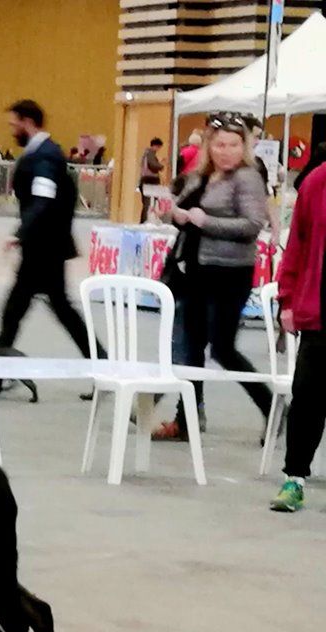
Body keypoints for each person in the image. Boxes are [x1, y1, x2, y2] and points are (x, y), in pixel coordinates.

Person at [153, 113, 273, 441]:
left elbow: (252, 226)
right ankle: (186, 420)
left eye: (234, 144)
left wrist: (207, 222)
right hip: (195, 270)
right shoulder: (202, 176)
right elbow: (184, 211)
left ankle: (272, 404)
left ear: (244, 146)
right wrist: (172, 214)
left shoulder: (247, 178)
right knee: (191, 349)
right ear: (209, 145)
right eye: (220, 144)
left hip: (229, 273)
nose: (226, 151)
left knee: (222, 348)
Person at [0, 100, 104, 365]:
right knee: (49, 309)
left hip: (44, 247)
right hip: (44, 245)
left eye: (14, 124)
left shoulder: (45, 156)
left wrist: (20, 232)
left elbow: (43, 198)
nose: (12, 130)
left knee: (18, 309)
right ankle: (101, 362)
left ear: (27, 122)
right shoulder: (42, 153)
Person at [269, 162, 326, 512]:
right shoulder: (317, 182)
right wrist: (287, 298)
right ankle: (294, 480)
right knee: (307, 395)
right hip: (319, 311)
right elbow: (297, 246)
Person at [139, 137, 164, 223]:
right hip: (149, 181)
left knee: (147, 203)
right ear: (155, 146)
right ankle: (145, 221)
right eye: (159, 147)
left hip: (146, 180)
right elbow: (153, 166)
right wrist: (161, 166)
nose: (158, 149)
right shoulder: (150, 154)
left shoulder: (146, 153)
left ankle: (144, 221)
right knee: (148, 203)